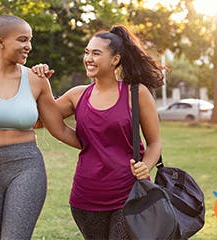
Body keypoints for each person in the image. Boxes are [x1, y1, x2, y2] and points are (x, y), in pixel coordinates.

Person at [0, 14, 80, 240]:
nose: (29, 46)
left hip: (27, 167)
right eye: (22, 40)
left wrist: (98, 146)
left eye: (30, 40)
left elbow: (58, 128)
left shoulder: (36, 79)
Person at [32, 24, 163, 239]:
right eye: (87, 52)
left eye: (96, 53)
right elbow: (41, 121)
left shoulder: (136, 93)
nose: (88, 58)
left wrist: (145, 166)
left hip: (129, 194)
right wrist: (40, 82)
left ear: (115, 60)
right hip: (86, 197)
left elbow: (155, 142)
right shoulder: (77, 95)